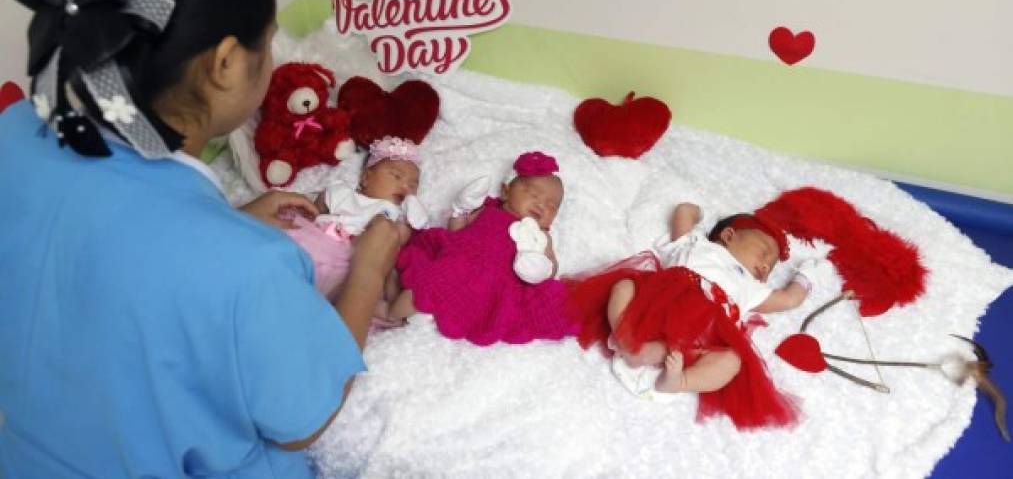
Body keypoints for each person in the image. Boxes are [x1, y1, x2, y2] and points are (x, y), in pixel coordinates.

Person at [0, 0, 402, 478]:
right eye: (269, 42)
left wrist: (228, 217)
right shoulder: (252, 267)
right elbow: (304, 422)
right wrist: (367, 268)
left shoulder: (16, 134)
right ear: (225, 63)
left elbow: (108, 251)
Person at [568, 202, 812, 430]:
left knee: (732, 361)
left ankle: (680, 380)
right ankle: (624, 334)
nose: (767, 265)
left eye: (771, 266)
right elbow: (683, 213)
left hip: (699, 338)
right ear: (728, 236)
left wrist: (807, 277)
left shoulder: (753, 287)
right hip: (659, 306)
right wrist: (697, 211)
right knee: (624, 286)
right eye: (764, 251)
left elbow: (790, 299)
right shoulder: (698, 245)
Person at [389, 150, 579, 345]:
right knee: (425, 286)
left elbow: (551, 267)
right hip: (459, 263)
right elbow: (457, 232)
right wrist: (459, 212)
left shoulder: (541, 236)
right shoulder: (487, 211)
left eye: (552, 205)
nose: (541, 205)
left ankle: (394, 315)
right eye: (533, 194)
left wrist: (542, 266)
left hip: (493, 282)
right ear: (506, 192)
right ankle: (390, 314)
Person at [285, 135, 427, 305]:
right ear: (366, 178)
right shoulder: (343, 194)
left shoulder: (395, 214)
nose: (405, 187)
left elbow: (398, 241)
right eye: (396, 176)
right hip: (319, 244)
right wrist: (314, 215)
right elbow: (316, 210)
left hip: (355, 267)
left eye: (413, 185)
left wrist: (410, 215)